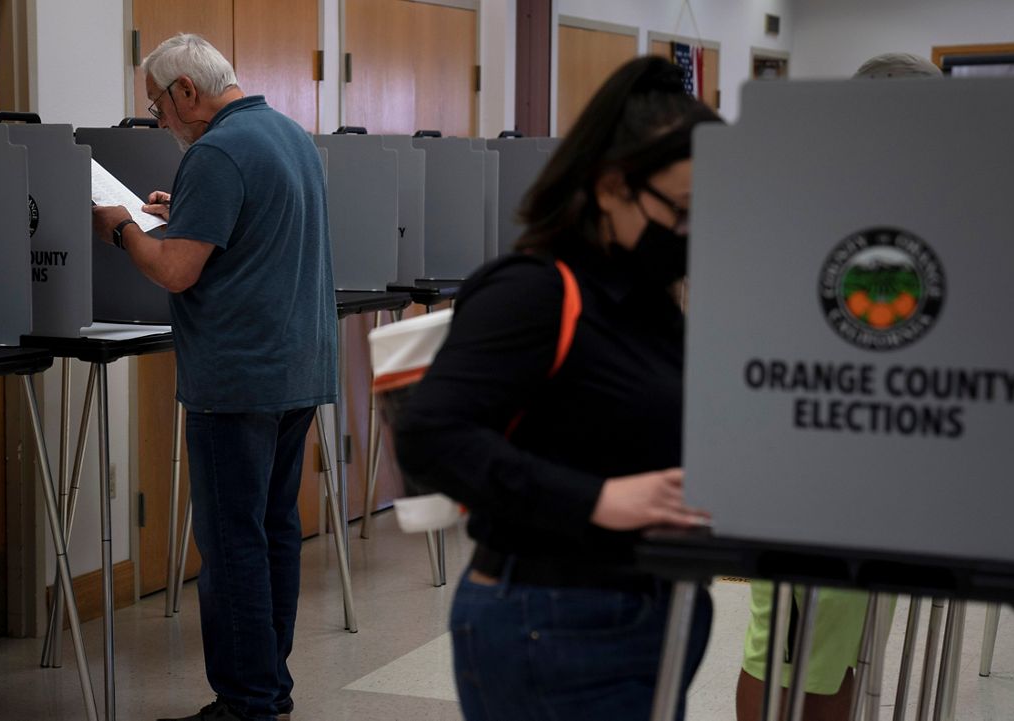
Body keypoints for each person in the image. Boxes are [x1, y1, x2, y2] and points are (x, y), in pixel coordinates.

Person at [393, 56, 721, 720]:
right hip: (555, 623)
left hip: (642, 614)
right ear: (609, 188)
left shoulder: (643, 295)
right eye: (682, 212)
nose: (693, 235)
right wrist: (597, 497)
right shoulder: (534, 290)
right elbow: (428, 434)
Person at [92, 33, 336, 721]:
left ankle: (245, 703)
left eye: (158, 106)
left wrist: (118, 227)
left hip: (237, 379)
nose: (159, 120)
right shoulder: (289, 135)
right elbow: (256, 231)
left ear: (187, 93)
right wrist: (186, 214)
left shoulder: (218, 151)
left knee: (231, 544)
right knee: (273, 530)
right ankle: (270, 690)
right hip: (296, 370)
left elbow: (175, 271)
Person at [734, 52, 940, 721]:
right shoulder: (817, 207)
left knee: (842, 650)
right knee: (794, 656)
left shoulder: (918, 213)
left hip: (882, 467)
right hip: (809, 470)